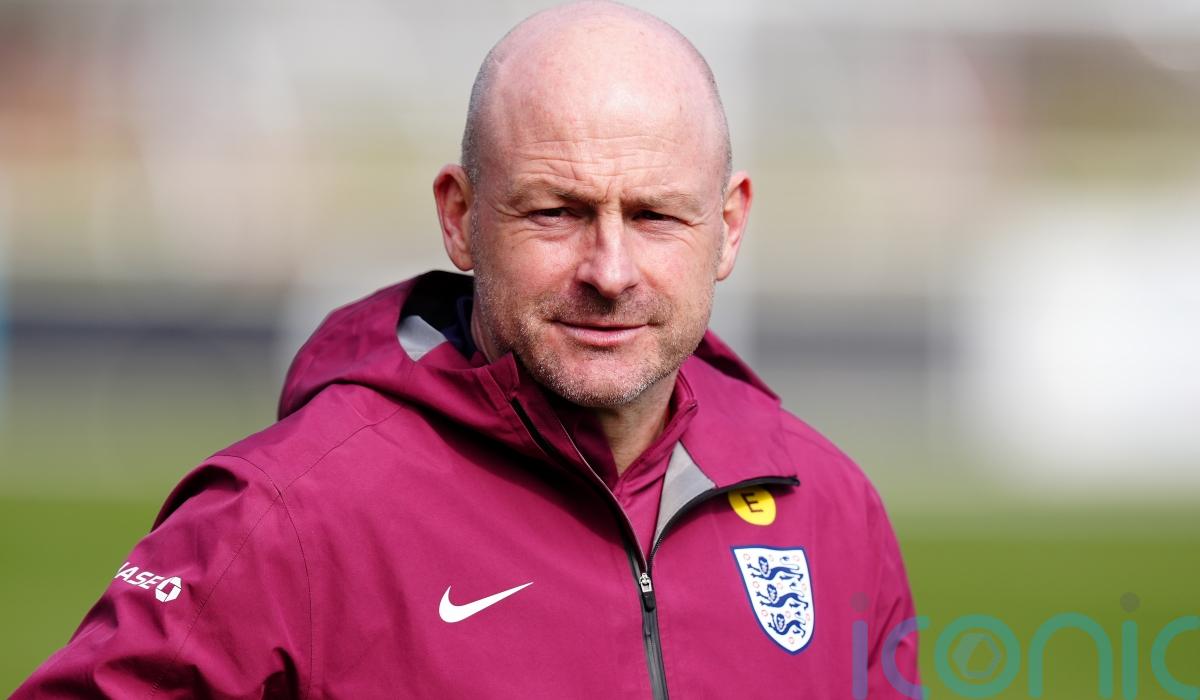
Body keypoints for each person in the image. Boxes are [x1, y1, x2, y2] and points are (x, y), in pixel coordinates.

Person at [15, 2, 919, 697]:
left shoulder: (829, 508)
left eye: (654, 216)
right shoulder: (286, 518)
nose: (610, 271)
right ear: (460, 218)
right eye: (556, 212)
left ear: (728, 227)